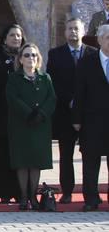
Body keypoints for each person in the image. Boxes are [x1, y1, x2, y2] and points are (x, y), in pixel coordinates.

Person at [7, 42, 55, 210]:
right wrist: (29, 113)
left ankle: (33, 196)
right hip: (21, 124)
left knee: (35, 162)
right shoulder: (14, 78)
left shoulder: (45, 78)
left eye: (34, 55)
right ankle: (23, 197)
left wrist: (41, 114)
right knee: (22, 162)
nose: (30, 58)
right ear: (20, 59)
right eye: (26, 55)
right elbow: (13, 99)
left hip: (40, 126)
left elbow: (51, 99)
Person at [48, 17, 87, 202]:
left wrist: (81, 102)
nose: (73, 32)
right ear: (65, 32)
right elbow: (52, 82)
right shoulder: (55, 54)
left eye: (77, 29)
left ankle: (90, 192)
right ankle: (67, 191)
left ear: (83, 31)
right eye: (70, 28)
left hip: (88, 114)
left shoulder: (92, 54)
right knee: (66, 156)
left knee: (90, 155)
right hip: (65, 112)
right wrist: (69, 100)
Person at [0, 23, 24, 202]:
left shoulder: (28, 57)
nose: (16, 38)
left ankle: (22, 190)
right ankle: (4, 191)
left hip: (23, 117)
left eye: (18, 35)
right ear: (5, 38)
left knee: (20, 155)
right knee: (3, 155)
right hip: (2, 116)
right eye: (12, 35)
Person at [73, 21, 109, 211]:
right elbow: (79, 92)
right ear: (99, 40)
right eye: (108, 38)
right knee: (90, 161)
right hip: (92, 120)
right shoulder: (87, 61)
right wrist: (77, 119)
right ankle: (91, 199)